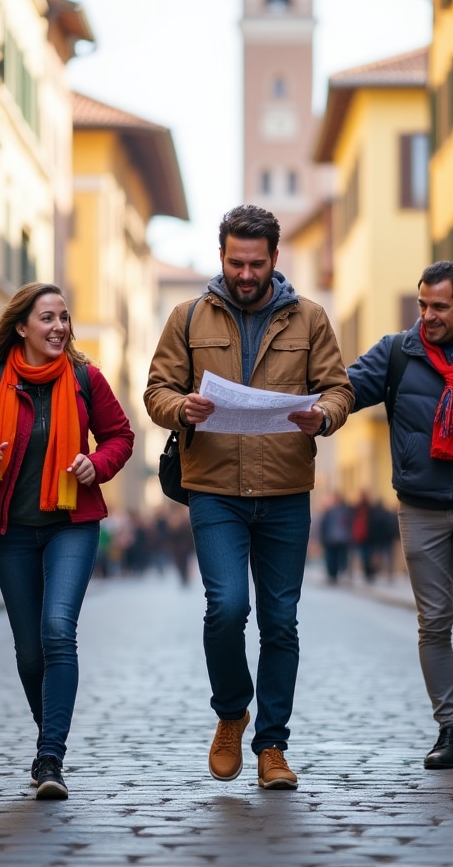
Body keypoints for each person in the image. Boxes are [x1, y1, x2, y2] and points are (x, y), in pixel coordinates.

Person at [144, 204, 353, 790]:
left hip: (286, 488)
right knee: (227, 606)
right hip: (212, 487)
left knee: (280, 621)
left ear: (274, 260)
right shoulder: (187, 318)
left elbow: (339, 388)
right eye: (235, 262)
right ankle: (232, 711)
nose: (244, 273)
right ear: (221, 257)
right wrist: (178, 407)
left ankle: (272, 747)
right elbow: (157, 388)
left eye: (255, 264)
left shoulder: (310, 319)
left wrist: (325, 417)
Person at [0, 282, 134, 800]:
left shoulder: (84, 378)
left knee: (57, 631)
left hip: (72, 523)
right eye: (47, 318)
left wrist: (95, 464)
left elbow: (121, 436)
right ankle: (48, 738)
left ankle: (50, 756)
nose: (59, 327)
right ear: (23, 326)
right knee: (30, 653)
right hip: (10, 532)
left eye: (64, 318)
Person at [348, 260, 453, 770]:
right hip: (419, 505)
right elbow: (348, 389)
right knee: (435, 621)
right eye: (422, 305)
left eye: (439, 306)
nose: (428, 315)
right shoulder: (397, 352)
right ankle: (449, 728)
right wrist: (315, 410)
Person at [317, 492, 353, 583]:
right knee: (334, 557)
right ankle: (333, 574)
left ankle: (334, 574)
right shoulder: (341, 511)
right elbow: (324, 525)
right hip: (335, 538)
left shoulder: (340, 511)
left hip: (337, 538)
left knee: (335, 557)